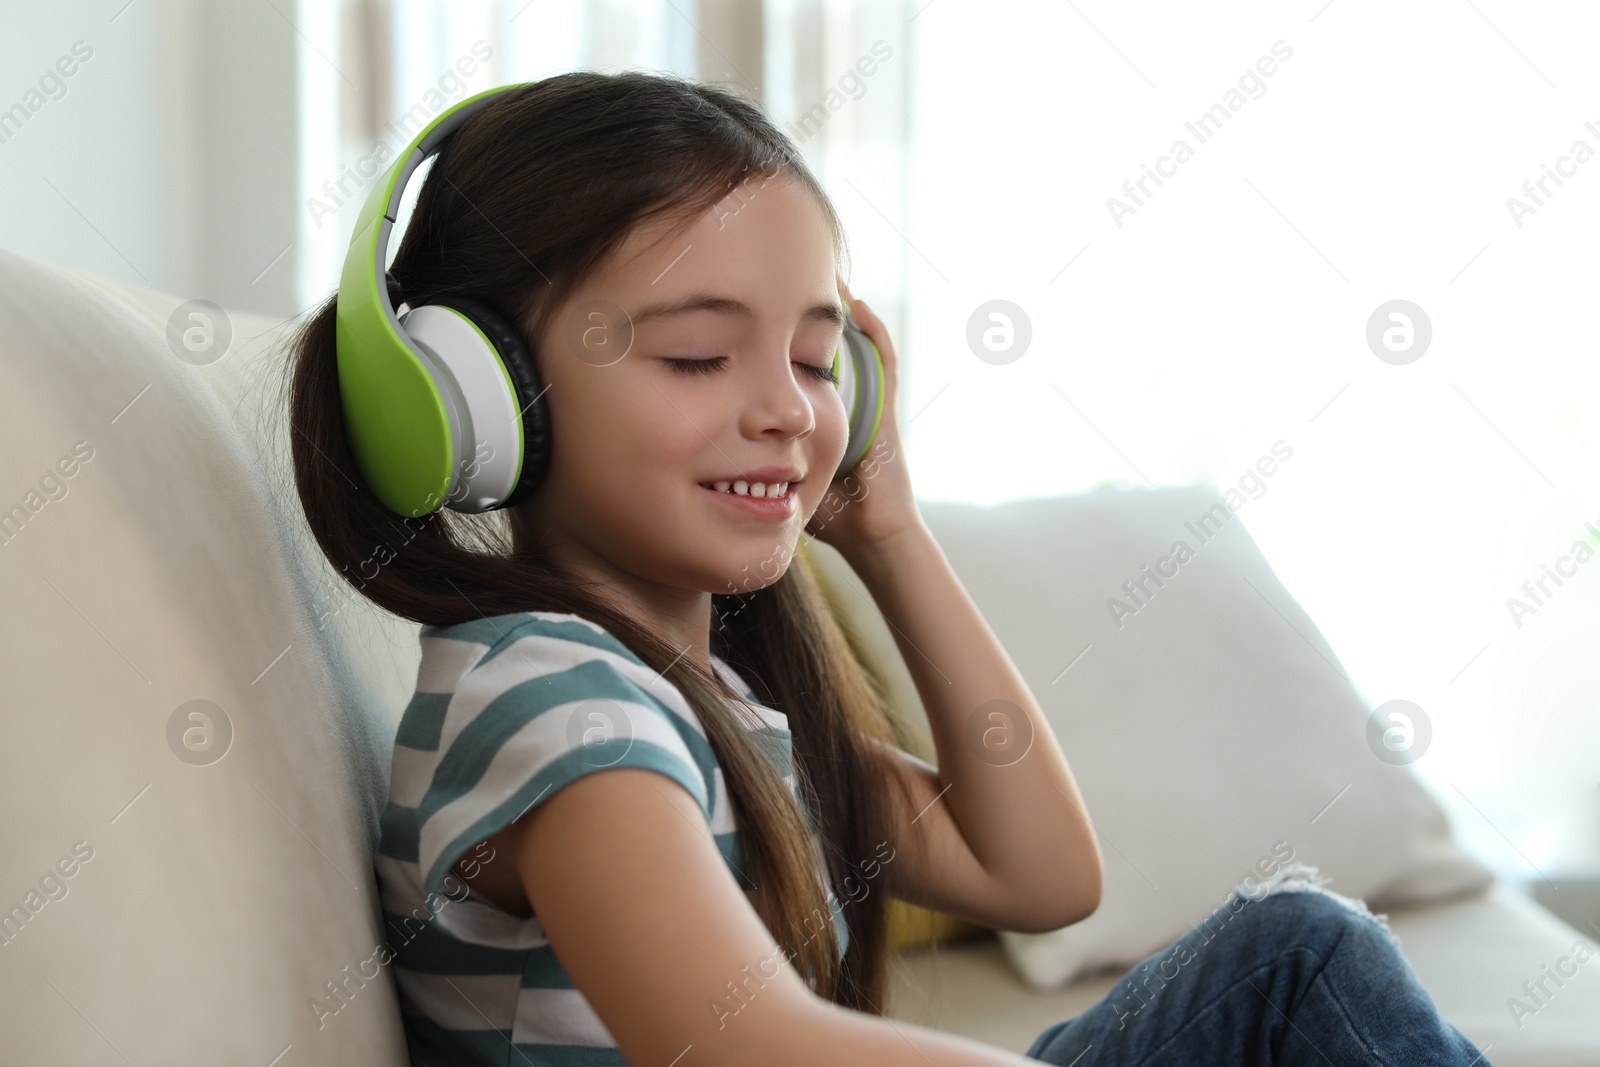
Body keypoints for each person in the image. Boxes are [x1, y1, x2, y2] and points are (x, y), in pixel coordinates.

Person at [282, 70, 1490, 1067]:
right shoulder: (554, 706)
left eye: (816, 362)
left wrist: (888, 531)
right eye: (699, 355)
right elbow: (743, 1042)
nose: (786, 413)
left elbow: (1041, 873)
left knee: (1289, 950)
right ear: (487, 399)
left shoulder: (709, 716)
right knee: (1296, 961)